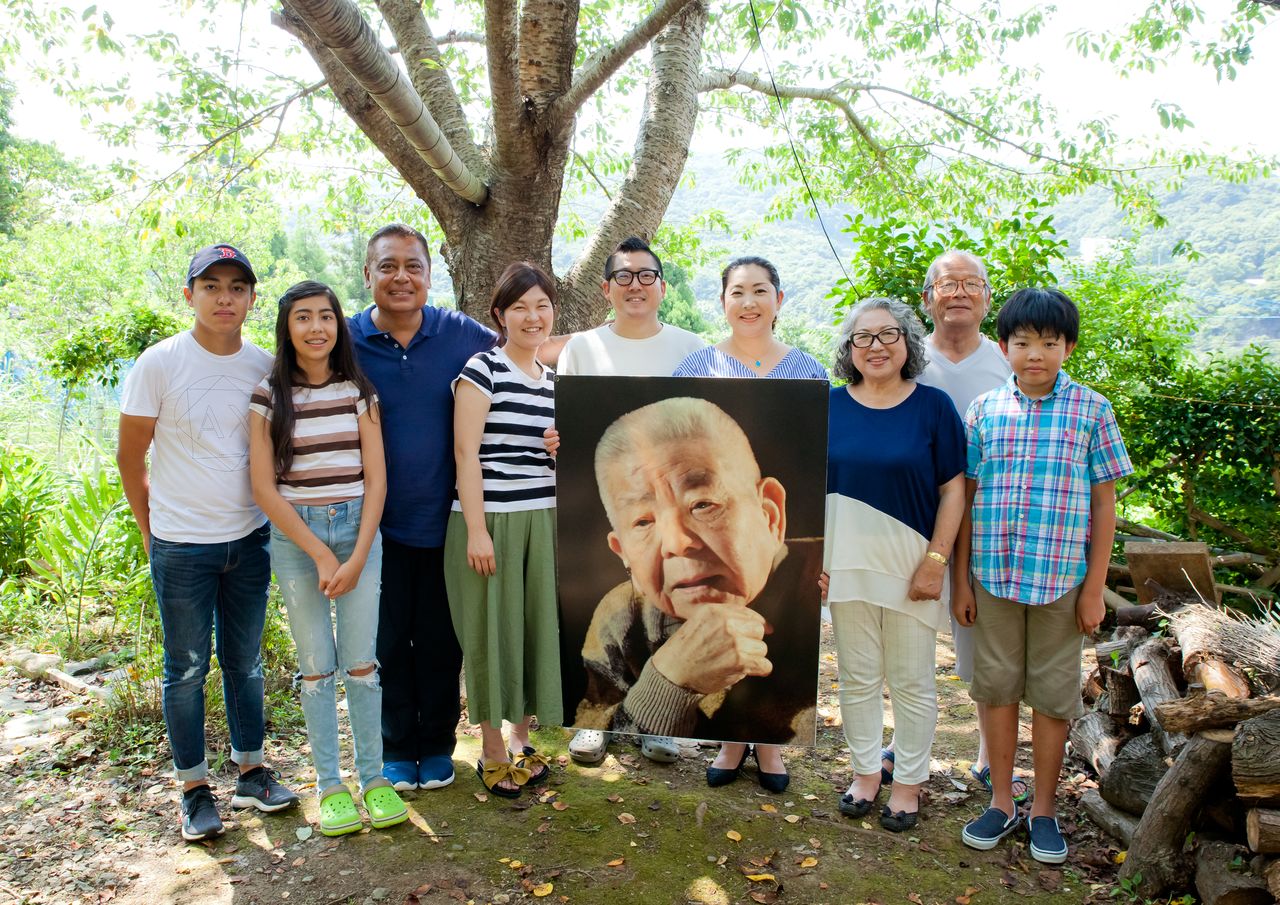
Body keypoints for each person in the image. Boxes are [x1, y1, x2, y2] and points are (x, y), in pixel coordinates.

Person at [116, 244, 299, 842]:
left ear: (251, 298)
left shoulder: (266, 366)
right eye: (212, 286)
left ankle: (251, 770)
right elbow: (129, 456)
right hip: (181, 546)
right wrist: (153, 533)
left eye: (237, 287)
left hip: (248, 539)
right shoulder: (160, 363)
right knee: (186, 668)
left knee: (244, 663)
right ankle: (193, 787)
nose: (225, 298)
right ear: (189, 294)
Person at [955, 287, 1131, 864]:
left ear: (1068, 347)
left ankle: (1046, 810)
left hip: (1061, 581)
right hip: (993, 576)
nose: (1035, 353)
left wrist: (1093, 590)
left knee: (1054, 699)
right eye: (1023, 342)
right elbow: (968, 498)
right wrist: (961, 580)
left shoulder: (1092, 410)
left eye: (1049, 343)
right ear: (1003, 346)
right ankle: (1002, 802)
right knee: (997, 689)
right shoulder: (984, 411)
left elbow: (1104, 506)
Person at [247, 281, 407, 836]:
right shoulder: (268, 396)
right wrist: (317, 552)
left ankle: (373, 780)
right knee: (316, 666)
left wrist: (359, 553)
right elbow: (265, 488)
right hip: (298, 541)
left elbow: (377, 477)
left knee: (361, 665)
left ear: (339, 326)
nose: (317, 328)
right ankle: (330, 787)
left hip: (360, 530)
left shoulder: (359, 391)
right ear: (286, 328)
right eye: (303, 318)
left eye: (326, 317)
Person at [574, 396, 822, 748]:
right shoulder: (621, 618)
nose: (675, 542)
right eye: (643, 521)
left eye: (703, 504)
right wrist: (667, 681)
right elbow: (599, 737)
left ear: (770, 516)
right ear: (623, 552)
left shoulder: (824, 582)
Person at [348, 224, 497, 792]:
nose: (401, 277)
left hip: (447, 525)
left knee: (440, 641)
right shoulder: (345, 340)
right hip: (373, 529)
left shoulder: (462, 335)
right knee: (385, 643)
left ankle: (435, 744)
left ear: (430, 275)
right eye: (388, 266)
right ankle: (393, 748)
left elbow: (525, 356)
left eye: (413, 266)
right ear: (369, 276)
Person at [673, 255, 827, 793]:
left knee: (778, 625)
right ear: (723, 302)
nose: (748, 302)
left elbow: (818, 454)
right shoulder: (695, 368)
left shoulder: (808, 371)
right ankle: (731, 739)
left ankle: (769, 744)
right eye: (737, 293)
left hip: (784, 517)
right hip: (714, 524)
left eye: (760, 291)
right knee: (725, 621)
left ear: (779, 300)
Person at [557, 236, 705, 766]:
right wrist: (560, 439)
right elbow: (566, 422)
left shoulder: (694, 348)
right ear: (606, 289)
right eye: (624, 276)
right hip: (602, 498)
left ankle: (657, 724)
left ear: (662, 286)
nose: (636, 285)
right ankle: (594, 721)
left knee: (670, 601)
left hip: (674, 499)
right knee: (601, 603)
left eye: (646, 276)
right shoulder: (582, 348)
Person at [883, 250, 1024, 803]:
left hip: (992, 528)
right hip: (916, 523)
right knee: (907, 634)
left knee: (986, 644)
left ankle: (992, 758)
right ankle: (903, 741)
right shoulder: (909, 362)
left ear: (988, 297)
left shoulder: (1010, 359)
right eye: (948, 284)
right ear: (927, 299)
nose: (959, 292)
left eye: (972, 284)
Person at [821, 297, 966, 833]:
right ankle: (864, 774)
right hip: (844, 566)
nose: (876, 346)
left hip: (912, 567)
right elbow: (808, 486)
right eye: (864, 338)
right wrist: (814, 558)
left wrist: (936, 561)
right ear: (849, 349)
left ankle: (908, 782)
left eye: (888, 335)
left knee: (911, 680)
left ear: (908, 342)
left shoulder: (934, 407)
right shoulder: (829, 405)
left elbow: (954, 492)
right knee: (857, 678)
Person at [445, 262, 563, 799]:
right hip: (489, 520)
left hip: (542, 519)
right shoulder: (482, 369)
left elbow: (552, 463)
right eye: (520, 307)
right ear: (500, 315)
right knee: (490, 631)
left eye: (541, 306)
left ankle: (521, 741)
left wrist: (559, 452)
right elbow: (466, 453)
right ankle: (490, 752)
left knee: (530, 628)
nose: (532, 317)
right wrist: (476, 530)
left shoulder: (553, 382)